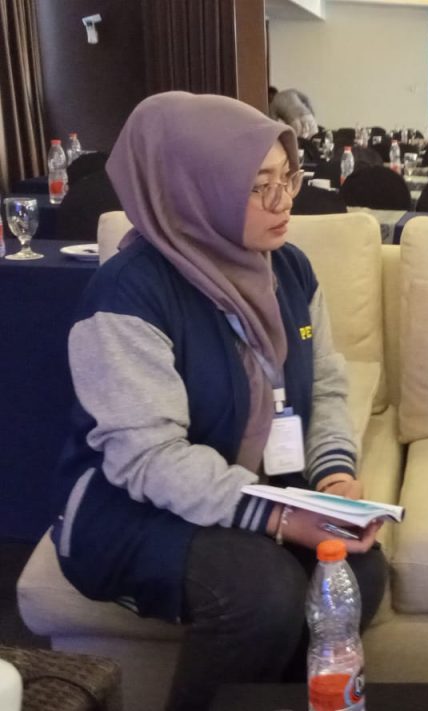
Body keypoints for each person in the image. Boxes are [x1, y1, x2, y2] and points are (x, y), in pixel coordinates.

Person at [50, 91, 387, 710]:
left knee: (356, 571)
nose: (284, 202)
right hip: (132, 505)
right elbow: (149, 458)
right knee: (260, 592)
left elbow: (325, 386)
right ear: (195, 191)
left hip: (256, 488)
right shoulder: (127, 295)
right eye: (258, 187)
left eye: (288, 177)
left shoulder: (289, 270)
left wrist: (333, 477)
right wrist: (279, 516)